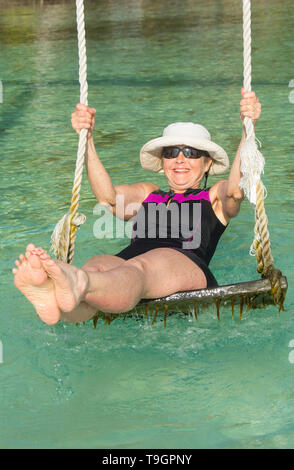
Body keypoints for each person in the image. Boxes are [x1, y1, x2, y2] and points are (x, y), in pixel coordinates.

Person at [13, 88, 261, 325]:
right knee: (98, 264)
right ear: (163, 161)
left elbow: (235, 190)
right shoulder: (147, 193)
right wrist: (87, 139)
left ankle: (75, 282)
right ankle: (55, 300)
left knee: (139, 268)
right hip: (131, 263)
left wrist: (246, 131)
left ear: (207, 164)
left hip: (183, 264)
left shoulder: (214, 197)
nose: (180, 159)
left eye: (191, 153)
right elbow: (108, 199)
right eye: (172, 152)